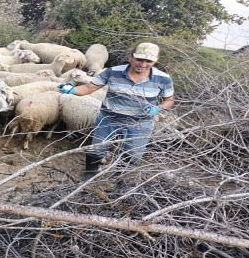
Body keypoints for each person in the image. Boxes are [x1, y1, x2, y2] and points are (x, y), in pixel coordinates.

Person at [58, 42, 174, 179]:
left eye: (148, 61)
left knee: (132, 155)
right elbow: (89, 88)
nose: (143, 64)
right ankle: (89, 175)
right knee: (97, 149)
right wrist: (72, 90)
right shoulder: (112, 72)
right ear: (130, 57)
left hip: (140, 124)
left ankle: (121, 180)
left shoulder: (164, 79)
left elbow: (169, 100)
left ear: (155, 61)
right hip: (108, 119)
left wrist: (158, 108)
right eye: (139, 59)